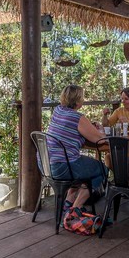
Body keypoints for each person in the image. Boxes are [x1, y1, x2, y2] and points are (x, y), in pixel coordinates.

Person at [46, 85, 107, 215]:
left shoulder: (58, 110)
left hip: (47, 165)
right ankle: (76, 208)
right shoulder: (77, 117)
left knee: (85, 169)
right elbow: (99, 140)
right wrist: (100, 130)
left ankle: (68, 203)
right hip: (62, 167)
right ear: (79, 100)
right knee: (102, 170)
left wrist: (88, 126)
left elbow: (69, 128)